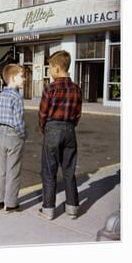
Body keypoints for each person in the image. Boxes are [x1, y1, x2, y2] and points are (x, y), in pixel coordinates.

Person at [38, 50, 82, 220]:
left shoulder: (50, 88)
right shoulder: (76, 89)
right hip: (70, 130)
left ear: (57, 68)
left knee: (49, 171)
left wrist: (44, 128)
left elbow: (43, 114)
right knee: (69, 170)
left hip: (52, 129)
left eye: (49, 67)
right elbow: (78, 113)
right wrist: (69, 126)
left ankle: (48, 209)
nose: (49, 70)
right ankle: (72, 207)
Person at [0, 64, 27, 212]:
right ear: (13, 78)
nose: (25, 79)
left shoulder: (0, 96)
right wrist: (23, 135)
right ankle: (11, 203)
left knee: (2, 169)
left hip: (1, 133)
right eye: (22, 76)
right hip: (14, 135)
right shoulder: (17, 97)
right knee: (13, 170)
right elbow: (18, 120)